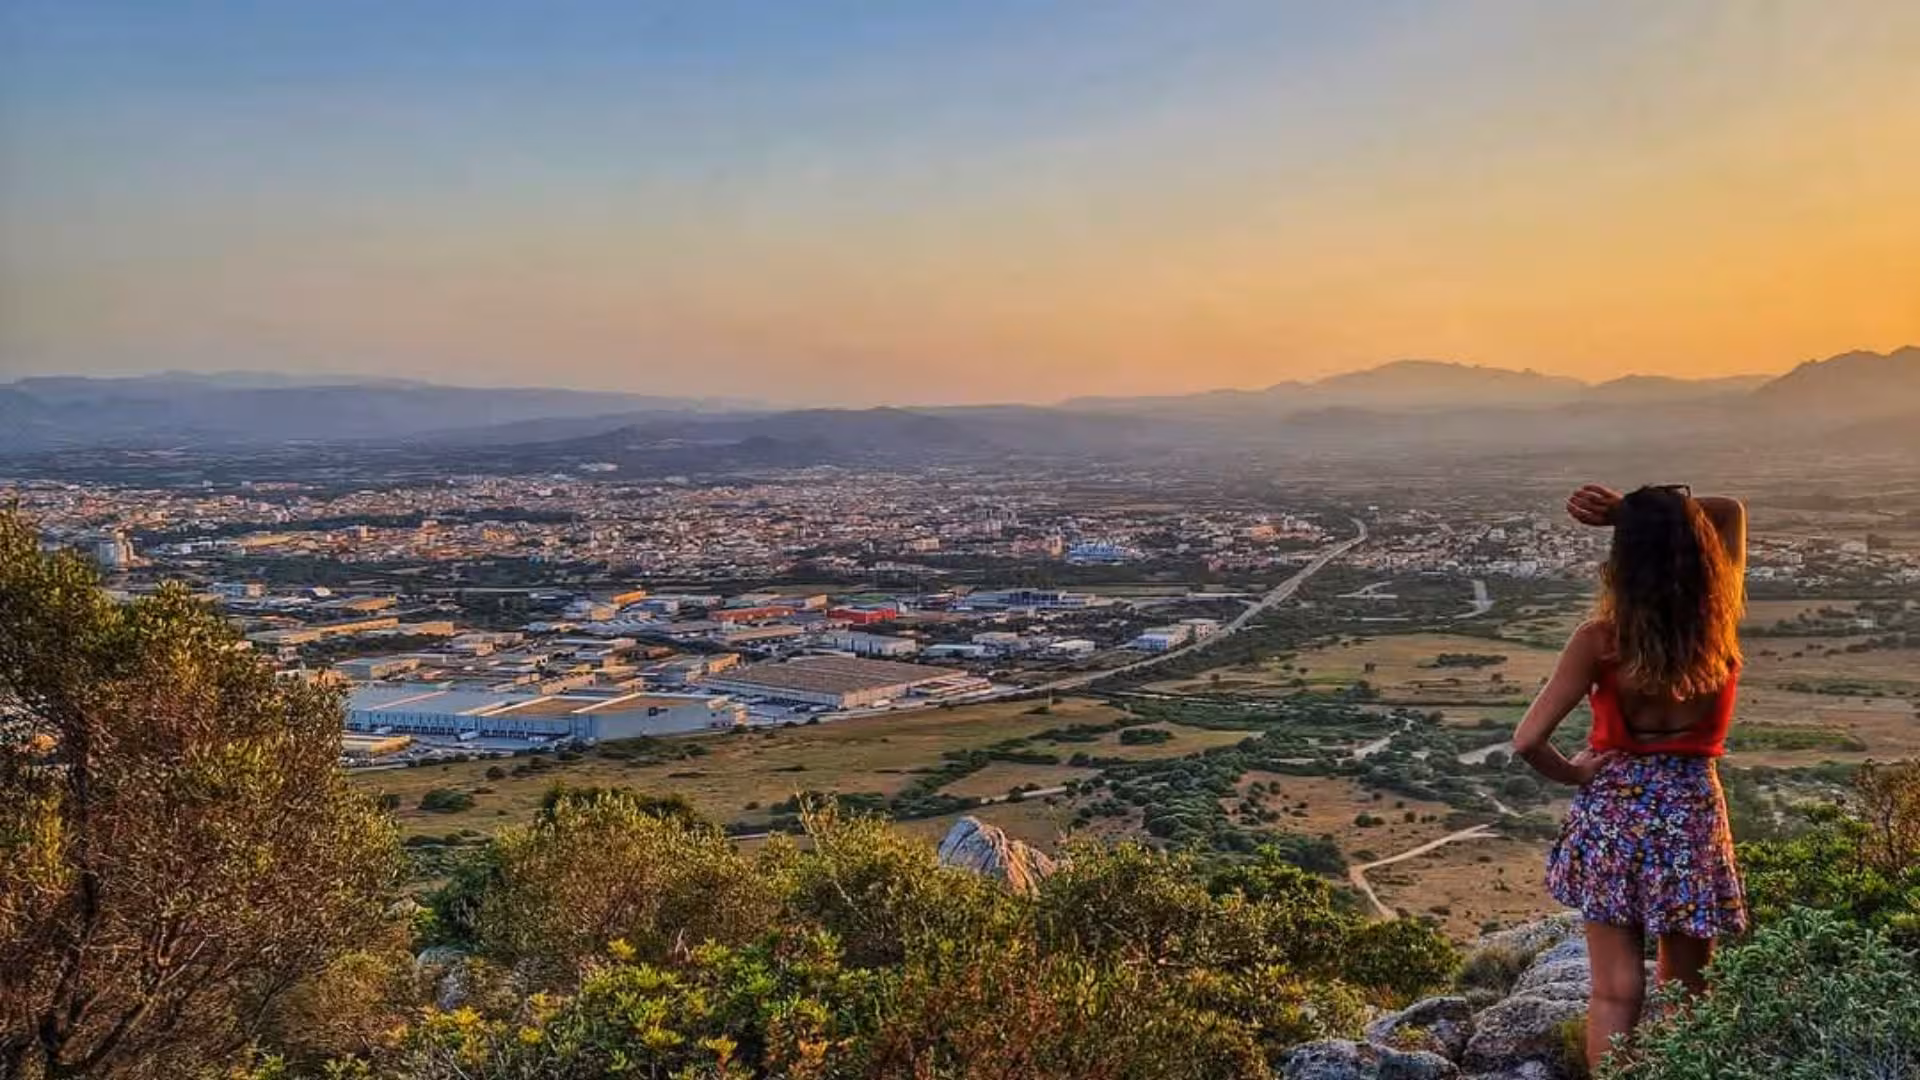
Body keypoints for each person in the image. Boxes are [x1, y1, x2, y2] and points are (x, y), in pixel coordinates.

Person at [1511, 483, 1749, 1070]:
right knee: (1688, 991)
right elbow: (1729, 512)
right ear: (1697, 552)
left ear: (1621, 564)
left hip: (1614, 810)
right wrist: (1636, 512)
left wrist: (1573, 773)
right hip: (1691, 813)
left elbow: (1527, 740)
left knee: (1614, 992)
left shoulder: (1600, 641)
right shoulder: (1718, 626)